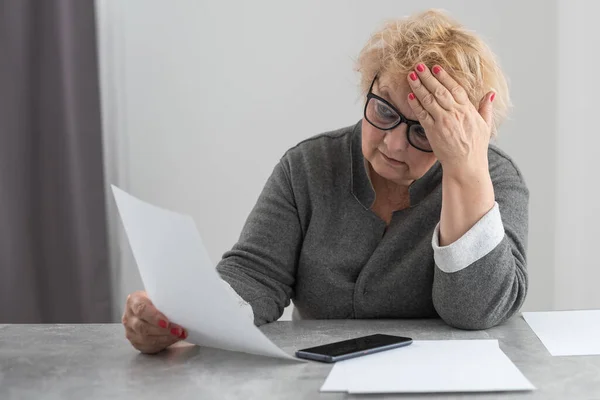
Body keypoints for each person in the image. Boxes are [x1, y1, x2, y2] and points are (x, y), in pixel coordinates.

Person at [122, 9, 529, 354]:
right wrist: (182, 317)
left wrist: (466, 170)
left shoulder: (494, 178)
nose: (393, 143)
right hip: (317, 380)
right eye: (384, 110)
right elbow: (255, 276)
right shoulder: (309, 165)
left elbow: (477, 311)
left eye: (424, 130)